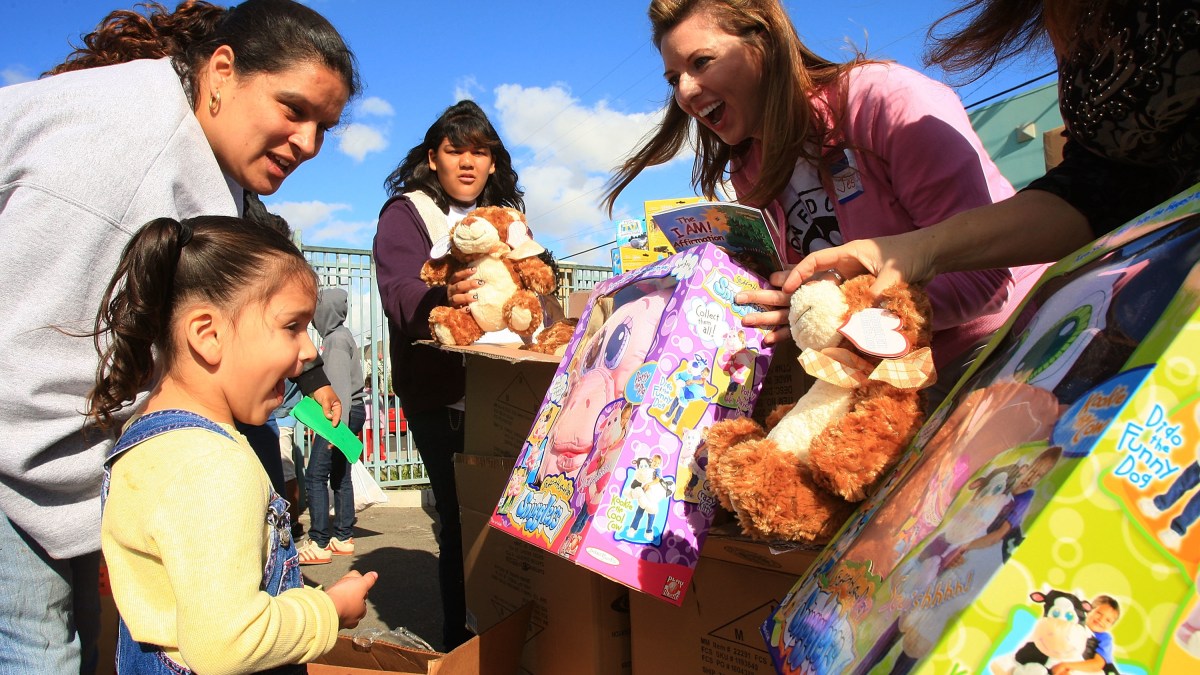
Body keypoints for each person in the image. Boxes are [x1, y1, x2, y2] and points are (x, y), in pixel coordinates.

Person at [0, 1, 358, 671]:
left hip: (72, 461)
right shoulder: (117, 152)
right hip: (17, 465)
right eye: (294, 110)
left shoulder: (216, 169)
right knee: (39, 650)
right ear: (221, 72)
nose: (309, 143)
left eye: (325, 128)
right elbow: (28, 367)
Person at [603, 0, 1040, 391]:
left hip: (1004, 346)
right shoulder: (748, 168)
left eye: (701, 62)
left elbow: (985, 280)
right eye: (674, 79)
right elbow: (805, 288)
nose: (685, 92)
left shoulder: (883, 100)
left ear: (764, 41)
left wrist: (834, 312)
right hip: (880, 375)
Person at [87, 215, 377, 673]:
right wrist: (330, 611)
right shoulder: (211, 466)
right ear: (208, 335)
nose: (309, 352)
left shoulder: (148, 437)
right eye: (292, 327)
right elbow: (228, 643)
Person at [784, 0, 1200, 304]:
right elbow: (1101, 188)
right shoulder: (1070, 17)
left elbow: (985, 284)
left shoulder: (881, 95)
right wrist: (920, 248)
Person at [374, 99, 524, 650]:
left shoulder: (506, 216)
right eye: (455, 150)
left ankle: (515, 634)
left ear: (493, 162)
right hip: (442, 396)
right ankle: (461, 645)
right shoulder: (406, 214)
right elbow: (398, 292)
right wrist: (443, 298)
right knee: (462, 522)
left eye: (479, 152)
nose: (467, 162)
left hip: (505, 387)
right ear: (432, 158)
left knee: (511, 517)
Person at [300, 288, 369, 564]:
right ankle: (342, 537)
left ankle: (318, 542)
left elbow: (338, 389)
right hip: (351, 411)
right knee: (340, 475)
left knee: (315, 475)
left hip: (340, 415)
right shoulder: (342, 335)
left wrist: (334, 431)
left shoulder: (335, 340)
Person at [1051, 595, 1121, 674]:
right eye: (1099, 613)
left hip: (1084, 669)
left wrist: (1066, 665)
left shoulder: (1104, 638)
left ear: (1111, 625)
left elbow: (1097, 664)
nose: (1101, 619)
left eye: (1108, 620)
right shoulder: (1074, 625)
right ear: (1089, 610)